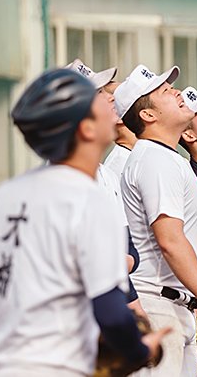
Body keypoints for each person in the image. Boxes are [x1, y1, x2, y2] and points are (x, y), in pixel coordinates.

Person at [0, 69, 166, 376]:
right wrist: (141, 349)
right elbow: (111, 312)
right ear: (86, 130)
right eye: (97, 102)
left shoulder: (11, 192)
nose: (110, 105)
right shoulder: (88, 199)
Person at [115, 64, 197, 376]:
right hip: (156, 303)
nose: (177, 92)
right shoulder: (154, 158)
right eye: (164, 91)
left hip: (174, 305)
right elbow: (170, 240)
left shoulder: (166, 157)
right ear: (148, 115)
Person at [64, 59, 148, 318]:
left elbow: (128, 251)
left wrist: (135, 308)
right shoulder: (64, 174)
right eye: (98, 94)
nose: (111, 98)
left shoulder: (104, 174)